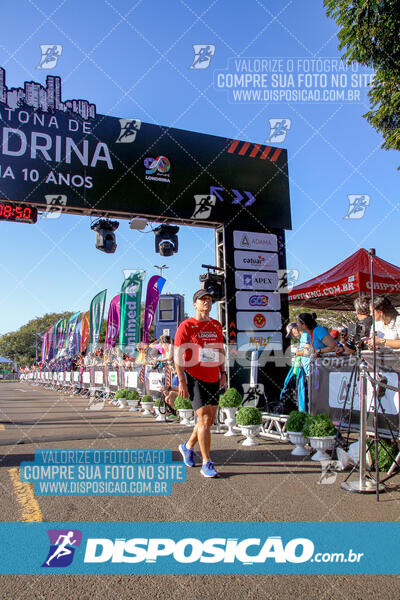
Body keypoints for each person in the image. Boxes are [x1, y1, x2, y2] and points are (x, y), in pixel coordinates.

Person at [174, 289, 225, 478]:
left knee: (209, 421)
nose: (207, 302)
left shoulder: (217, 325)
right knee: (203, 419)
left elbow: (220, 351)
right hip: (194, 376)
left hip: (213, 376)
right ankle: (207, 463)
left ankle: (187, 447)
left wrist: (223, 373)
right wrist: (182, 382)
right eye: (202, 299)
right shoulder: (186, 326)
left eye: (209, 299)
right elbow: (177, 356)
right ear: (194, 304)